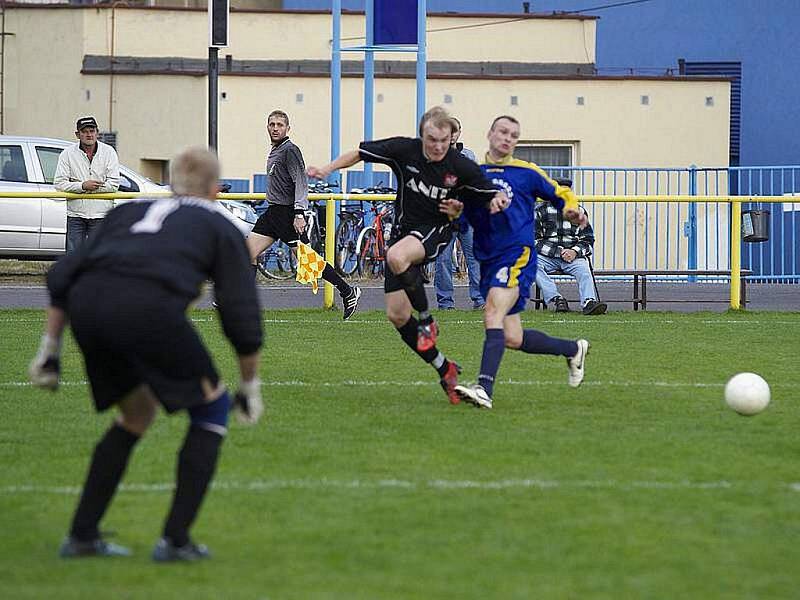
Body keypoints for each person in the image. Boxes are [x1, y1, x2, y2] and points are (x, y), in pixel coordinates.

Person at [29, 147, 264, 562]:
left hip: (88, 308)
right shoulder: (218, 223)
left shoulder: (128, 212)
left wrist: (50, 350)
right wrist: (249, 385)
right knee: (211, 409)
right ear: (214, 190)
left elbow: (63, 274)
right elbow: (241, 312)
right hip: (148, 307)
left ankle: (82, 534)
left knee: (137, 415)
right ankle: (175, 541)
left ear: (173, 184)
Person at [307, 106, 507, 404]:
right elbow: (360, 152)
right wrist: (327, 168)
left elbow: (489, 195)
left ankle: (427, 319)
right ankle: (445, 368)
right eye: (431, 140)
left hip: (436, 231)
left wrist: (490, 202)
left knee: (398, 257)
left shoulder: (460, 166)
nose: (438, 147)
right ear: (422, 135)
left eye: (443, 140)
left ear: (451, 137)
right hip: (402, 234)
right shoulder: (405, 150)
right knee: (398, 315)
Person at [447, 115, 591, 409]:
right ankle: (573, 349)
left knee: (492, 312)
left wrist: (572, 210)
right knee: (512, 337)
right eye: (502, 131)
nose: (507, 137)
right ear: (490, 134)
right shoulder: (475, 174)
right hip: (489, 259)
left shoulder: (526, 172)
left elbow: (559, 193)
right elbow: (464, 216)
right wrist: (454, 212)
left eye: (513, 134)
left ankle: (484, 388)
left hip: (517, 255)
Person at [247, 110, 361, 320]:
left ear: (287, 129)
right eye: (272, 124)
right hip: (272, 212)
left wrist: (299, 212)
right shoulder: (276, 150)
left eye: (279, 125)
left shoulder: (290, 151)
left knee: (306, 260)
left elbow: (301, 182)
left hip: (285, 213)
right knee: (248, 252)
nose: (275, 128)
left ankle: (347, 291)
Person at [433, 117, 484, 310]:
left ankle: (480, 300)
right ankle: (445, 303)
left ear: (459, 132)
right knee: (443, 259)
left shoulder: (469, 155)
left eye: (455, 130)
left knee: (475, 257)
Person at [535, 190, 607, 315]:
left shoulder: (579, 211)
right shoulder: (540, 211)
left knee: (584, 270)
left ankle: (589, 302)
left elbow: (588, 240)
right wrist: (560, 251)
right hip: (548, 256)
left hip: (573, 257)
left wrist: (574, 251)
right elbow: (533, 240)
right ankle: (557, 298)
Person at [54, 116, 120, 252]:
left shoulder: (109, 152)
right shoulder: (67, 154)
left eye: (92, 130)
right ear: (77, 134)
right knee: (73, 256)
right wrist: (83, 186)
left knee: (99, 255)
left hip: (101, 214)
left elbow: (114, 184)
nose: (89, 134)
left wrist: (88, 188)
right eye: (84, 131)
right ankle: (74, 274)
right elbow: (60, 184)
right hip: (75, 214)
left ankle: (97, 274)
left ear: (97, 132)